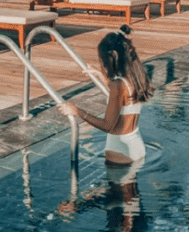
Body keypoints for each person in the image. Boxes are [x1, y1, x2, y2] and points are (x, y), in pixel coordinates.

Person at [62, 25, 153, 164]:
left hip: (120, 151)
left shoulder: (118, 85)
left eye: (102, 59)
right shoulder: (135, 79)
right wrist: (100, 75)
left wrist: (77, 111)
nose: (103, 64)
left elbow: (108, 126)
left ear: (111, 58)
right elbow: (123, 98)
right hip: (137, 148)